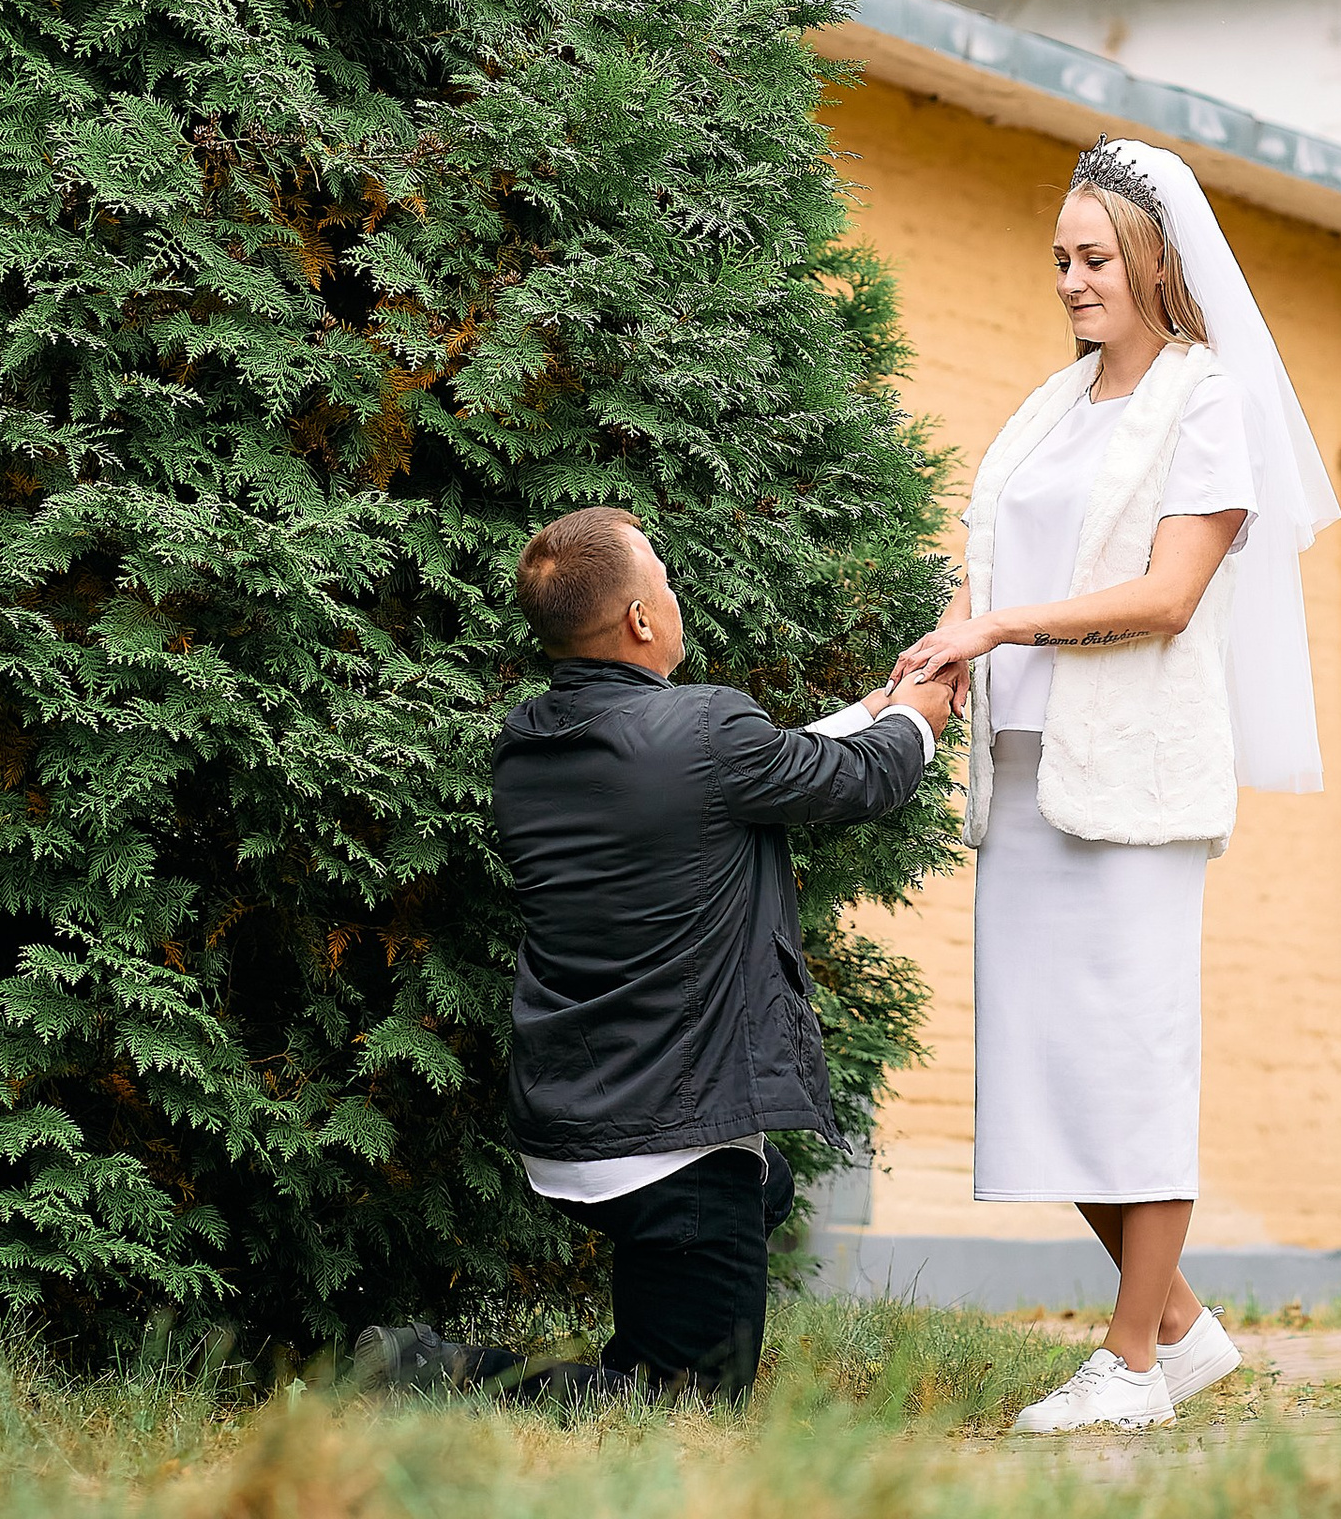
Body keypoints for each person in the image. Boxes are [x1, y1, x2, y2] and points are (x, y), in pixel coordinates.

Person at [889, 139, 1338, 1432]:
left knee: (1133, 1066)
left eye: (1093, 257)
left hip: (1137, 780)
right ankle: (1186, 1332)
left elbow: (1168, 592)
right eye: (1061, 260)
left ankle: (1131, 1363)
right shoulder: (1051, 405)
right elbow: (995, 561)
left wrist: (1003, 628)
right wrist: (944, 640)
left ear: (1152, 260)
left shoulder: (1208, 401)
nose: (1073, 280)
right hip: (1028, 777)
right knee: (1043, 1071)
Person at [360, 507, 957, 1407]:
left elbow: (761, 764)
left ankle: (677, 1292)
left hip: (583, 1109)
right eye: (666, 584)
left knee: (762, 1186)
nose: (675, 599)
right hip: (675, 1134)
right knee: (686, 1396)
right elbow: (857, 778)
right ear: (641, 619)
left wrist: (875, 708)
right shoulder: (704, 731)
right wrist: (915, 720)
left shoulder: (529, 745)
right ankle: (424, 1369)